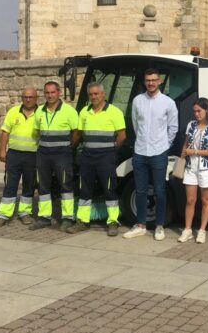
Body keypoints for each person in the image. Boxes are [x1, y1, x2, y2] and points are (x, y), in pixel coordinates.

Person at [123, 68, 179, 241]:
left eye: (154, 80)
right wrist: (142, 142)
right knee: (140, 190)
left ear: (160, 81)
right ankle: (140, 225)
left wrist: (165, 146)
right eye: (148, 80)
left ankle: (160, 226)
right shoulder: (138, 101)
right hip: (140, 152)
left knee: (160, 190)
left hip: (159, 152)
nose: (151, 83)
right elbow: (135, 125)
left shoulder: (168, 102)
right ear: (144, 82)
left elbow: (173, 127)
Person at [68, 82, 126, 236]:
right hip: (87, 157)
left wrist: (112, 152)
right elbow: (78, 134)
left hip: (106, 157)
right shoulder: (84, 112)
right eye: (91, 94)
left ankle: (113, 221)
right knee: (84, 189)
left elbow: (122, 136)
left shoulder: (114, 112)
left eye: (96, 94)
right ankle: (82, 221)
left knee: (109, 189)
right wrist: (70, 149)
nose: (93, 97)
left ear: (103, 94)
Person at [31, 81, 79, 231]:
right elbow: (37, 131)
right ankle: (44, 217)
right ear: (44, 94)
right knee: (43, 186)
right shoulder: (39, 111)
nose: (50, 95)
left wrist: (70, 146)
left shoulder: (69, 111)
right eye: (47, 93)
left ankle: (67, 218)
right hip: (43, 154)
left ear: (58, 93)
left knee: (65, 185)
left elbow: (77, 131)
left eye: (53, 92)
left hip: (62, 154)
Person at [0, 87, 39, 227]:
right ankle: (4, 215)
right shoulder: (13, 112)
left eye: (31, 97)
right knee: (10, 184)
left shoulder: (41, 113)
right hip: (14, 155)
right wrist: (2, 151)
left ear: (36, 98)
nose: (28, 99)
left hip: (33, 155)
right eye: (25, 97)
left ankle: (25, 213)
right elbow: (5, 132)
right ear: (22, 98)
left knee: (29, 185)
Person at [178, 98, 208, 244]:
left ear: (206, 110)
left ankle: (202, 230)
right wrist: (184, 154)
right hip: (191, 167)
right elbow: (185, 146)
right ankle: (188, 229)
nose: (196, 114)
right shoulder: (191, 125)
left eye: (199, 111)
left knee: (205, 200)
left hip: (207, 169)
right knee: (190, 200)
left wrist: (195, 151)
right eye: (194, 111)